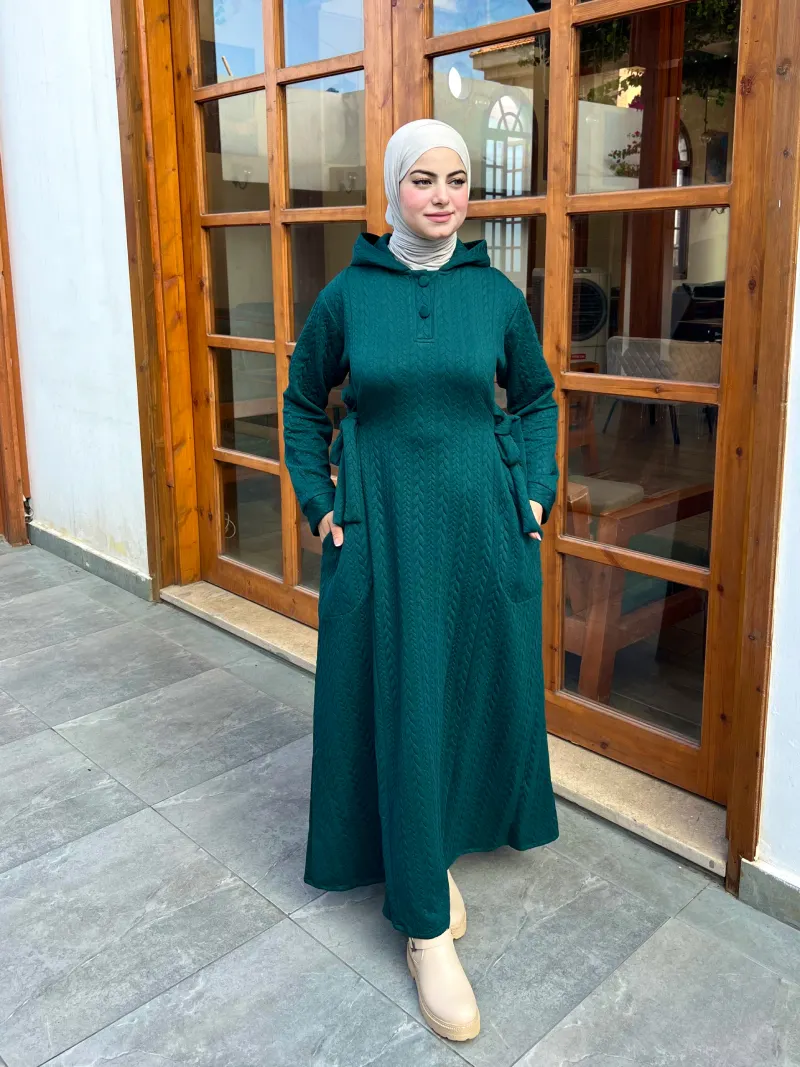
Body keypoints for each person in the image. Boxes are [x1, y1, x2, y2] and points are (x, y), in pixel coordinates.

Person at [282, 118, 559, 1042]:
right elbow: (300, 404)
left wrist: (534, 492)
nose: (442, 197)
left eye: (457, 180)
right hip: (384, 525)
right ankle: (423, 923)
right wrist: (320, 501)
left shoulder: (496, 295)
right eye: (422, 180)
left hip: (481, 526)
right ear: (393, 190)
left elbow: (536, 398)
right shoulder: (348, 296)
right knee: (401, 694)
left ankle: (430, 850)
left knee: (461, 690)